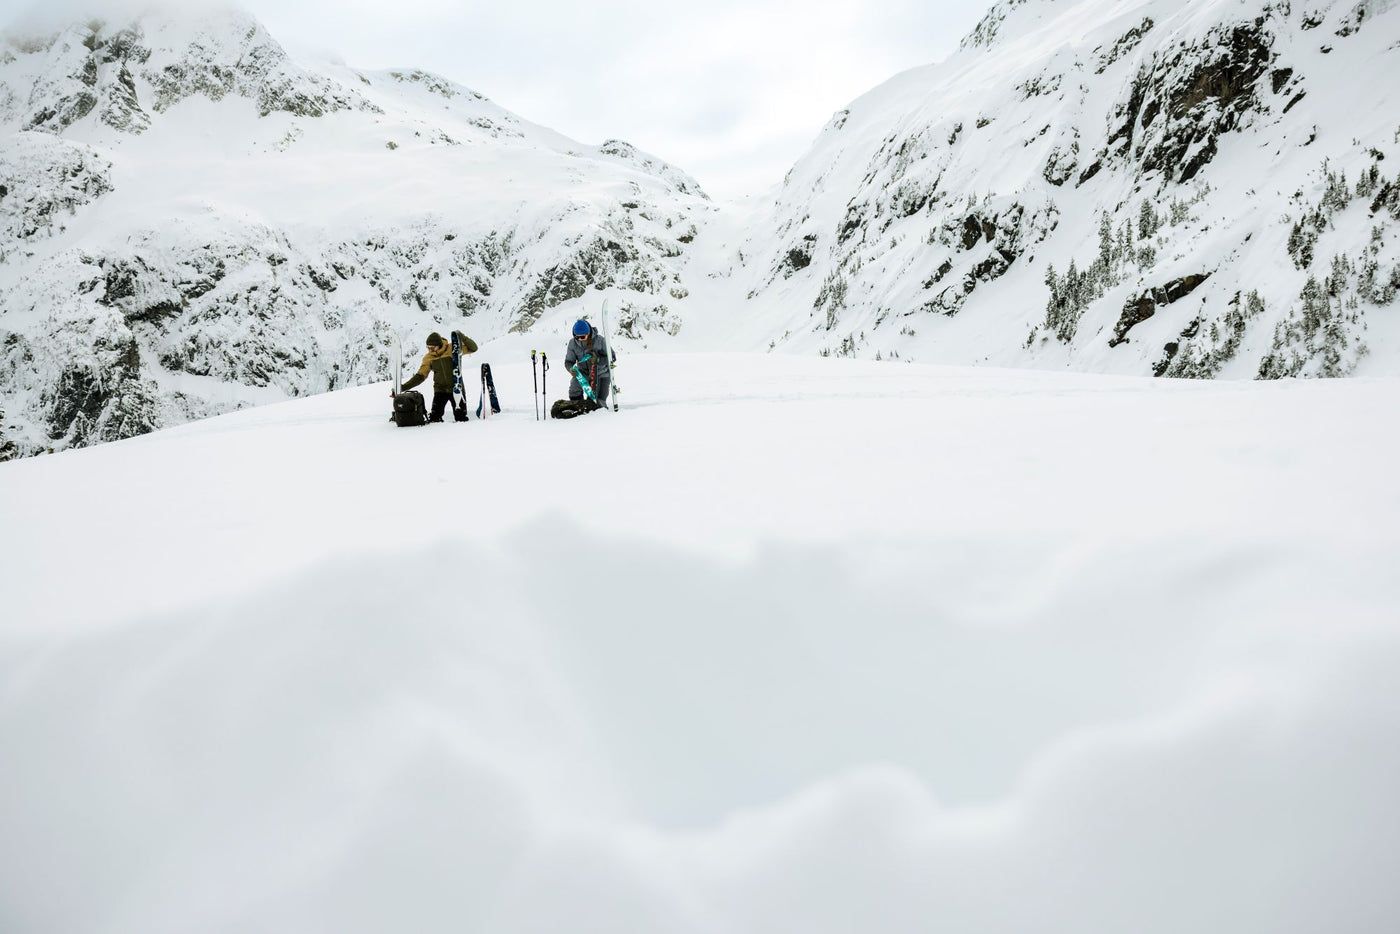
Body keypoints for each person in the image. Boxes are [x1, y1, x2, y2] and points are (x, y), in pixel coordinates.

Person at [401, 330, 477, 422]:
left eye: (432, 348)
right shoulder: (428, 358)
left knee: (461, 418)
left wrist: (462, 337)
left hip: (457, 388)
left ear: (439, 345)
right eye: (428, 348)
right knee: (434, 418)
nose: (430, 350)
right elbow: (420, 376)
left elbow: (473, 348)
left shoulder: (453, 348)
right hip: (440, 390)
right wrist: (403, 387)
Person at [564, 318, 610, 410]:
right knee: (574, 387)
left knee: (597, 405)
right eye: (577, 337)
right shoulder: (572, 343)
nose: (580, 339)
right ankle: (578, 408)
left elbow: (611, 357)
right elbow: (569, 361)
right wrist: (570, 369)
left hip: (601, 374)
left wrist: (598, 360)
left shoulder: (600, 340)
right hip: (583, 373)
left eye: (583, 337)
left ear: (589, 333)